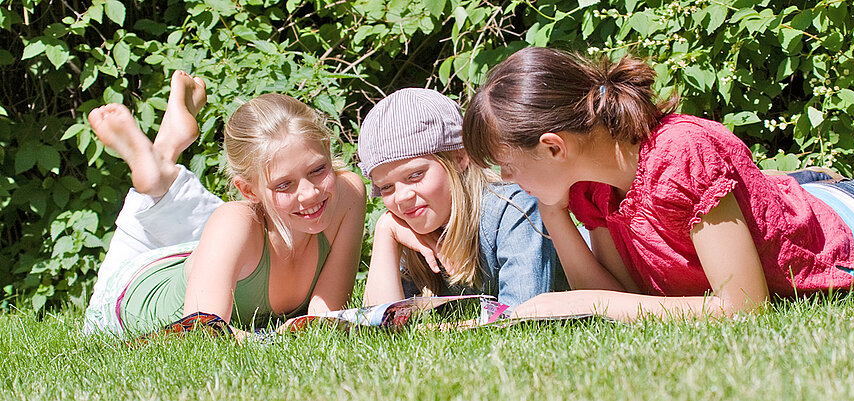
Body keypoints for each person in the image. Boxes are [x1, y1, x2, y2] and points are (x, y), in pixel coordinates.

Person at [461, 47, 854, 321]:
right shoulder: (590, 187)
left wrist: (593, 301)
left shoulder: (682, 152)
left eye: (506, 163)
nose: (506, 179)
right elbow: (632, 298)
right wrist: (552, 210)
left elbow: (744, 305)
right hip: (811, 206)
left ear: (553, 147)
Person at [83, 71, 365, 335]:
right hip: (127, 296)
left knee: (226, 230)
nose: (309, 193)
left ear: (327, 150)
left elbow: (323, 320)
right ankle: (162, 163)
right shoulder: (236, 221)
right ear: (247, 190)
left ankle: (165, 155)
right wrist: (272, 340)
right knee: (227, 223)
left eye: (317, 170)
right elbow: (202, 334)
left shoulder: (347, 193)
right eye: (283, 184)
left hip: (209, 257)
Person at [357, 88, 569, 308]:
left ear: (460, 158)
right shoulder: (409, 225)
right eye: (386, 187)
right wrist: (385, 232)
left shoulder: (512, 208)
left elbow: (523, 314)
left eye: (415, 175)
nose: (401, 197)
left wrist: (448, 329)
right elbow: (380, 323)